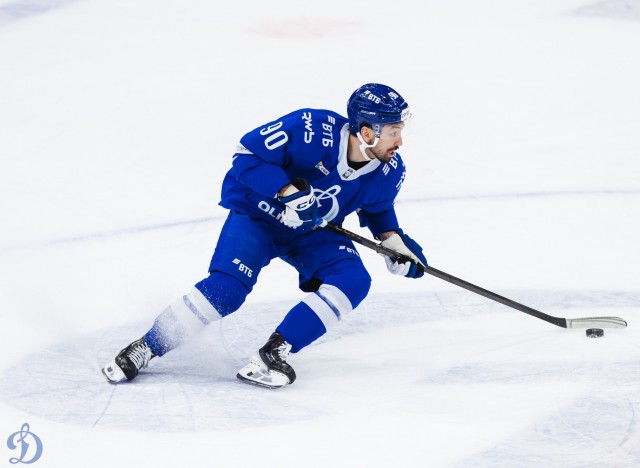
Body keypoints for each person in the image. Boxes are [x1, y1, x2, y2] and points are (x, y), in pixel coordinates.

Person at [102, 83, 427, 389]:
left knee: (353, 280)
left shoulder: (390, 170)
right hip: (259, 217)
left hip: (312, 231)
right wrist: (286, 192)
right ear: (367, 132)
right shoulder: (311, 128)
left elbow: (377, 207)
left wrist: (392, 240)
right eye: (393, 132)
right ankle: (146, 346)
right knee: (227, 290)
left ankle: (273, 352)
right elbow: (246, 155)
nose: (400, 141)